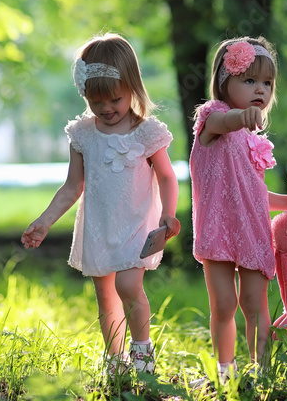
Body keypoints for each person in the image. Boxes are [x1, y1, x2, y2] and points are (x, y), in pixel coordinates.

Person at [21, 33, 181, 375]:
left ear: (133, 88)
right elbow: (72, 186)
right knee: (106, 295)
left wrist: (169, 212)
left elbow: (167, 176)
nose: (106, 108)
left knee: (128, 287)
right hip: (98, 227)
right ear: (85, 96)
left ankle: (142, 357)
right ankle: (115, 360)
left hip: (136, 224)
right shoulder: (83, 134)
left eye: (115, 99)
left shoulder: (145, 133)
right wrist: (44, 221)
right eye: (97, 102)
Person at [190, 36, 287, 380]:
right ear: (223, 81)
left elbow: (255, 192)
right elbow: (224, 122)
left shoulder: (253, 140)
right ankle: (225, 369)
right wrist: (240, 116)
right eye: (249, 80)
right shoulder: (212, 119)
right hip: (217, 229)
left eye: (267, 83)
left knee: (255, 304)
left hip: (253, 232)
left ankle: (262, 371)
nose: (260, 89)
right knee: (225, 304)